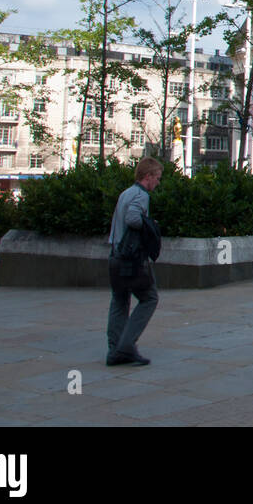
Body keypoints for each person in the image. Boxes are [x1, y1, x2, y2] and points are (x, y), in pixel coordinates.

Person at [106, 156, 162, 366]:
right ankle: (126, 346)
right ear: (147, 177)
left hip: (115, 256)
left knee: (119, 301)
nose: (158, 182)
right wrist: (150, 224)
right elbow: (133, 219)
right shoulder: (141, 195)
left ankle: (114, 350)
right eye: (157, 178)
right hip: (131, 259)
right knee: (150, 298)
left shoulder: (125, 193)